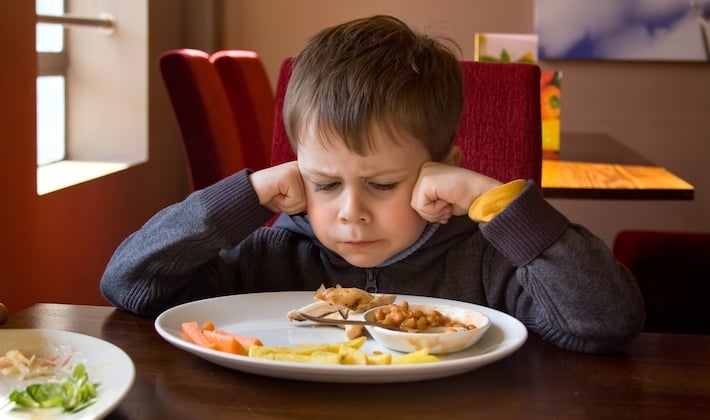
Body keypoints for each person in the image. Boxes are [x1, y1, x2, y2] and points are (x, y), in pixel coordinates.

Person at [100, 15, 644, 354]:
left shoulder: (488, 263)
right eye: (325, 183)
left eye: (383, 185)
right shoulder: (272, 255)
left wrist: (491, 201)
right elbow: (130, 283)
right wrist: (244, 196)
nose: (350, 212)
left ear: (442, 172)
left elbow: (606, 324)